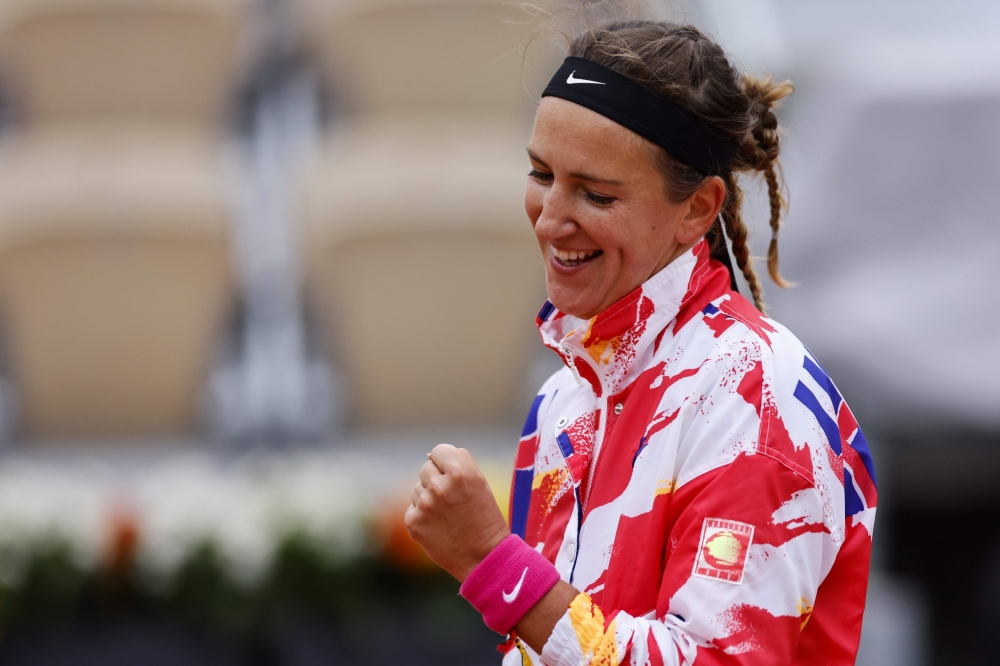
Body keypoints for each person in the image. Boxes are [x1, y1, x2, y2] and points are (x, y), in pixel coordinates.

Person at [405, 20, 877, 666]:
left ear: (698, 209)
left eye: (596, 194)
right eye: (541, 174)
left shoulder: (756, 399)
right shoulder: (563, 399)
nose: (550, 218)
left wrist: (493, 562)